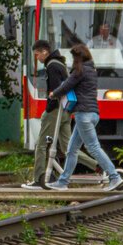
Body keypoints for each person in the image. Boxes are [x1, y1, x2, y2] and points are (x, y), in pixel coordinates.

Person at [46, 43, 123, 192]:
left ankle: (114, 177)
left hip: (83, 115)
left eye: (73, 57)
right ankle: (63, 182)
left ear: (78, 58)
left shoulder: (80, 71)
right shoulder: (91, 70)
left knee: (93, 148)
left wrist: (54, 94)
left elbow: (66, 86)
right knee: (71, 150)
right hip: (91, 114)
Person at [22, 40, 99, 190]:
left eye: (37, 55)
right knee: (68, 147)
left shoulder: (52, 66)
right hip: (66, 110)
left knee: (41, 145)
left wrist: (49, 109)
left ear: (44, 52)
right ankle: (97, 165)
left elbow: (56, 90)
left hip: (55, 111)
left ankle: (38, 179)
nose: (37, 58)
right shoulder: (61, 64)